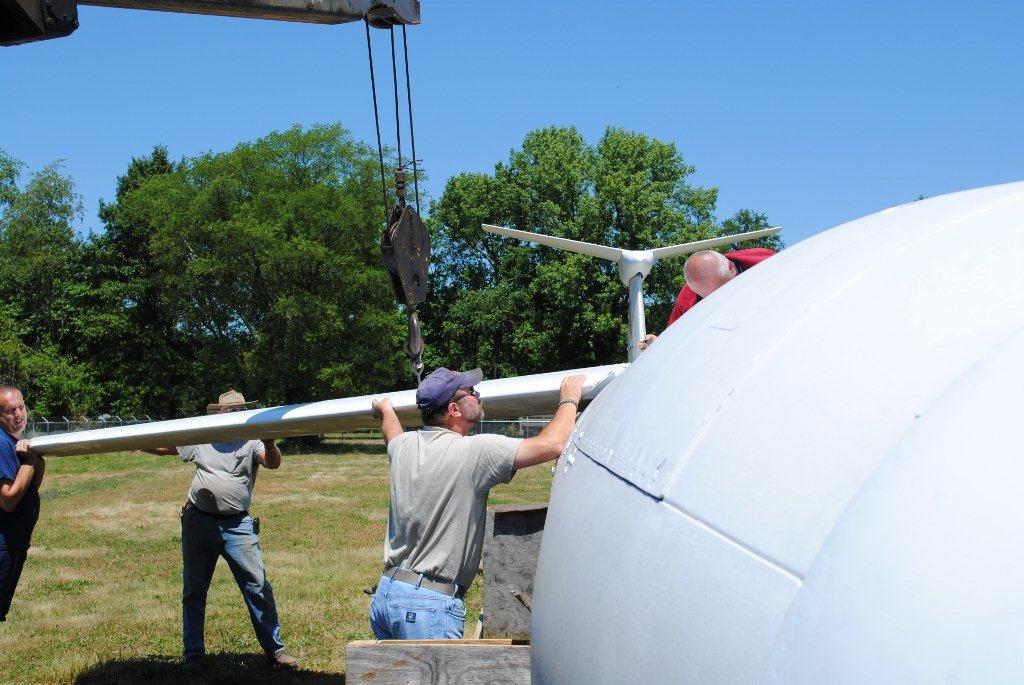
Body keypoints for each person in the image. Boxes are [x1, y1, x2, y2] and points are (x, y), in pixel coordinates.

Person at [368, 367, 586, 640]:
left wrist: (385, 409)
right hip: (427, 608)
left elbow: (392, 431)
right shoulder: (474, 451)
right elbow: (552, 444)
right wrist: (569, 398)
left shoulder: (403, 446)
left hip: (388, 593)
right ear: (455, 409)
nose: (478, 394)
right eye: (471, 391)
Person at [145, 389, 297, 673]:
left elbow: (272, 462)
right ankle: (193, 654)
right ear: (219, 413)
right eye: (231, 410)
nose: (236, 414)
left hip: (238, 525)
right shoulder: (202, 436)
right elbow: (166, 447)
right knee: (194, 590)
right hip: (198, 522)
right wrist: (132, 441)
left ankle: (275, 651)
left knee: (258, 587)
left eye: (240, 410)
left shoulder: (253, 439)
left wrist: (271, 443)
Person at [638, 247, 776, 350]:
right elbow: (675, 337)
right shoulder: (688, 298)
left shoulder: (769, 263)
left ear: (732, 268)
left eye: (724, 289)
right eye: (711, 298)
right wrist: (658, 344)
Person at [0, 386, 44, 622]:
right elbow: (8, 500)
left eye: (21, 407)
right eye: (10, 411)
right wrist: (29, 462)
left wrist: (35, 460)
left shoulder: (11, 442)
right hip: (4, 546)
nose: (18, 414)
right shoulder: (1, 445)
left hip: (13, 544)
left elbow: (30, 487)